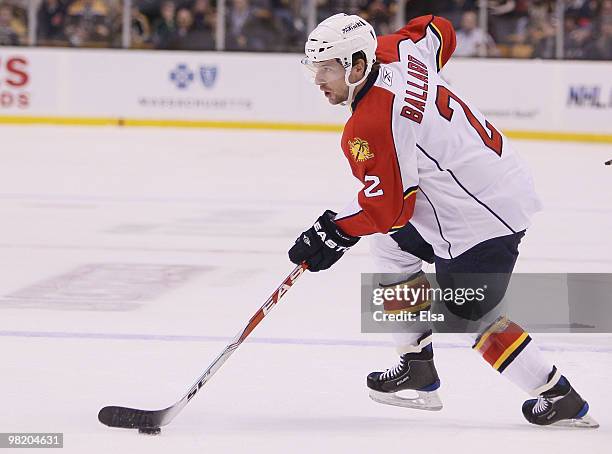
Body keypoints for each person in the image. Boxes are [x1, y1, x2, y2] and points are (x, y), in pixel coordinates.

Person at [289, 13, 598, 428]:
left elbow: (389, 210)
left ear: (357, 66)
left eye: (327, 69)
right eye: (315, 68)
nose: (318, 80)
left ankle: (558, 395)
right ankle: (416, 364)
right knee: (391, 244)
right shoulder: (397, 48)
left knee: (469, 312)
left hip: (481, 218)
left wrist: (333, 231)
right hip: (497, 177)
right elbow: (439, 28)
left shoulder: (371, 123)